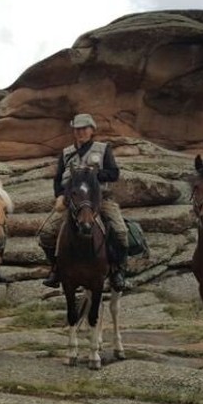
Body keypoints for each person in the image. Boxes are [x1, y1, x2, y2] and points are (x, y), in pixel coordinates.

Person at [37, 113, 130, 291]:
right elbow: (58, 179)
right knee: (46, 233)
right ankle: (56, 269)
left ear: (92, 130)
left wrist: (94, 174)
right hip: (72, 201)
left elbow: (114, 173)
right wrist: (59, 195)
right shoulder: (66, 153)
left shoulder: (103, 149)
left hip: (99, 199)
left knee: (121, 232)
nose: (80, 132)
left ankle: (117, 271)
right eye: (77, 129)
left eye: (84, 129)